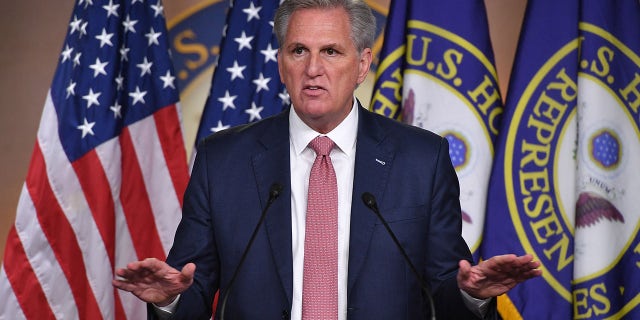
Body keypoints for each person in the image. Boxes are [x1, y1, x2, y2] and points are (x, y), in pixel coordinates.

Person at [113, 0, 542, 319]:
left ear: (362, 65)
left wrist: (472, 294)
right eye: (298, 51)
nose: (313, 68)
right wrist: (169, 298)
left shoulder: (420, 159)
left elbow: (445, 293)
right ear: (282, 65)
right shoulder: (222, 160)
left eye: (331, 52)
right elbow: (195, 285)